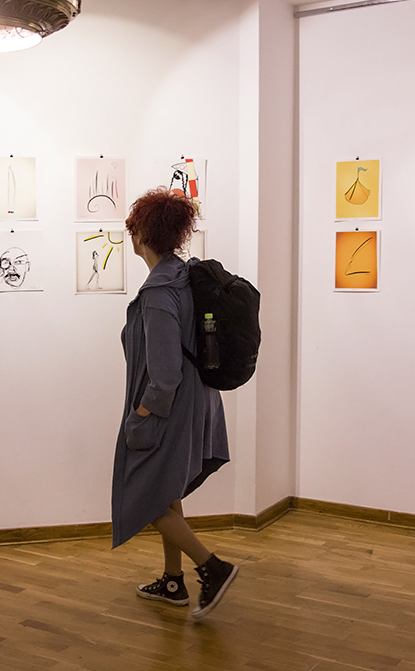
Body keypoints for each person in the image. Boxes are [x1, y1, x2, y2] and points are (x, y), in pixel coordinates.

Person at [111, 187, 236, 621]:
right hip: (198, 401)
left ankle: (212, 567)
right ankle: (172, 581)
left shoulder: (158, 292)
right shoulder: (184, 275)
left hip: (168, 409)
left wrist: (142, 414)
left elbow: (164, 375)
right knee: (163, 489)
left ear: (141, 235)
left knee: (142, 494)